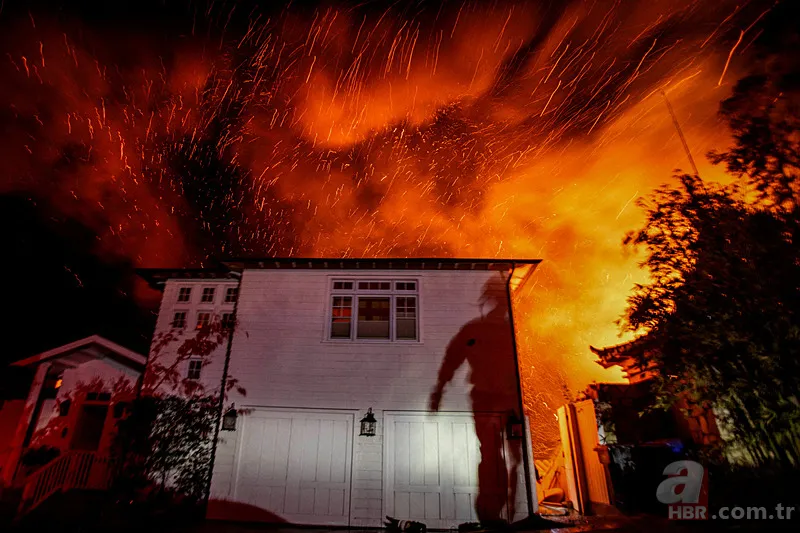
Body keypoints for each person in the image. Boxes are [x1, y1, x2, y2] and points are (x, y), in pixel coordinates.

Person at [429, 274, 522, 523]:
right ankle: (492, 514)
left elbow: (452, 358)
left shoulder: (495, 331)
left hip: (507, 403)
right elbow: (453, 358)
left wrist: (439, 390)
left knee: (510, 456)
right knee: (494, 455)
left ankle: (507, 512)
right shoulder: (477, 331)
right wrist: (439, 390)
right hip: (490, 402)